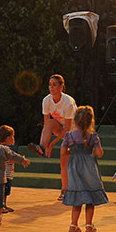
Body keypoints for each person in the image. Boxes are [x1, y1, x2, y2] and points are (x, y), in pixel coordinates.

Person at [28, 74, 76, 202]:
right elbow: (47, 124)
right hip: (61, 130)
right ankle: (41, 147)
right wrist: (47, 144)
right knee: (49, 123)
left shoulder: (68, 103)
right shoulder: (46, 100)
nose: (51, 87)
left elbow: (68, 128)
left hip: (74, 133)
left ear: (61, 87)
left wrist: (53, 144)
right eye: (50, 84)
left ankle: (70, 190)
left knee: (64, 161)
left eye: (55, 85)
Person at [61, 106, 108, 232]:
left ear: (75, 121)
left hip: (74, 167)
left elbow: (63, 152)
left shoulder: (69, 136)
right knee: (90, 197)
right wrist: (90, 150)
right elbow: (99, 153)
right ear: (91, 121)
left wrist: (74, 151)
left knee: (77, 196)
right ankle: (88, 226)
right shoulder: (93, 136)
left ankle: (73, 225)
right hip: (89, 168)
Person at [0, 125, 17, 213]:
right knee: (3, 191)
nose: (13, 139)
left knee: (4, 192)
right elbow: (9, 160)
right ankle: (1, 206)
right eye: (12, 136)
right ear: (8, 138)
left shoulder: (0, 148)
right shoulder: (6, 149)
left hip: (5, 175)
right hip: (5, 175)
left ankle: (3, 205)